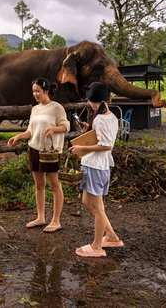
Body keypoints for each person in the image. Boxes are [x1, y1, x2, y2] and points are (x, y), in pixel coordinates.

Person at [7, 78, 70, 232]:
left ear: (46, 91)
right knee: (39, 184)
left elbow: (66, 126)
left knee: (55, 185)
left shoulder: (56, 108)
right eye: (33, 91)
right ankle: (40, 217)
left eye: (38, 91)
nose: (35, 94)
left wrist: (54, 129)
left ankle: (56, 220)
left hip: (50, 151)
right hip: (34, 149)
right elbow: (30, 131)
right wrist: (17, 137)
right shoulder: (35, 109)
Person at [69, 82, 123, 258]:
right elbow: (102, 139)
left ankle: (97, 246)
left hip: (96, 167)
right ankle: (112, 236)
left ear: (95, 101)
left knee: (98, 208)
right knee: (87, 201)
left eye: (89, 100)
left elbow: (106, 145)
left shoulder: (100, 119)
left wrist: (82, 149)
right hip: (97, 166)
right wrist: (88, 132)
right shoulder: (111, 117)